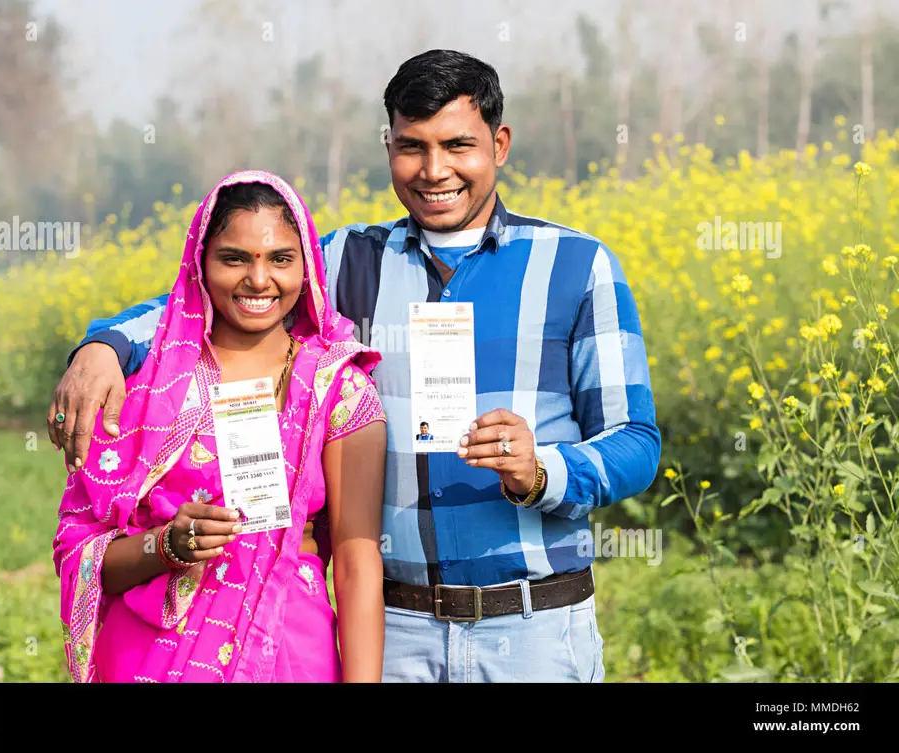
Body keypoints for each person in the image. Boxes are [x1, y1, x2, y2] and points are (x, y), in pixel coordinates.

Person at [51, 50, 661, 682]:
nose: (434, 171)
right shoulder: (346, 262)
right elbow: (216, 291)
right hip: (396, 633)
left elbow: (636, 442)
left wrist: (541, 470)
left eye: (458, 145)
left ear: (499, 144)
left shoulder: (574, 267)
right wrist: (105, 346)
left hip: (533, 626)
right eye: (411, 146)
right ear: (388, 144)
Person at [51, 170, 387, 683]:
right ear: (200, 265)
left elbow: (357, 561)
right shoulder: (144, 387)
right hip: (151, 653)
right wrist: (165, 546)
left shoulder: (337, 390)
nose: (258, 280)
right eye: (234, 258)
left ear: (307, 267)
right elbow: (81, 551)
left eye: (280, 259)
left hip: (288, 651)